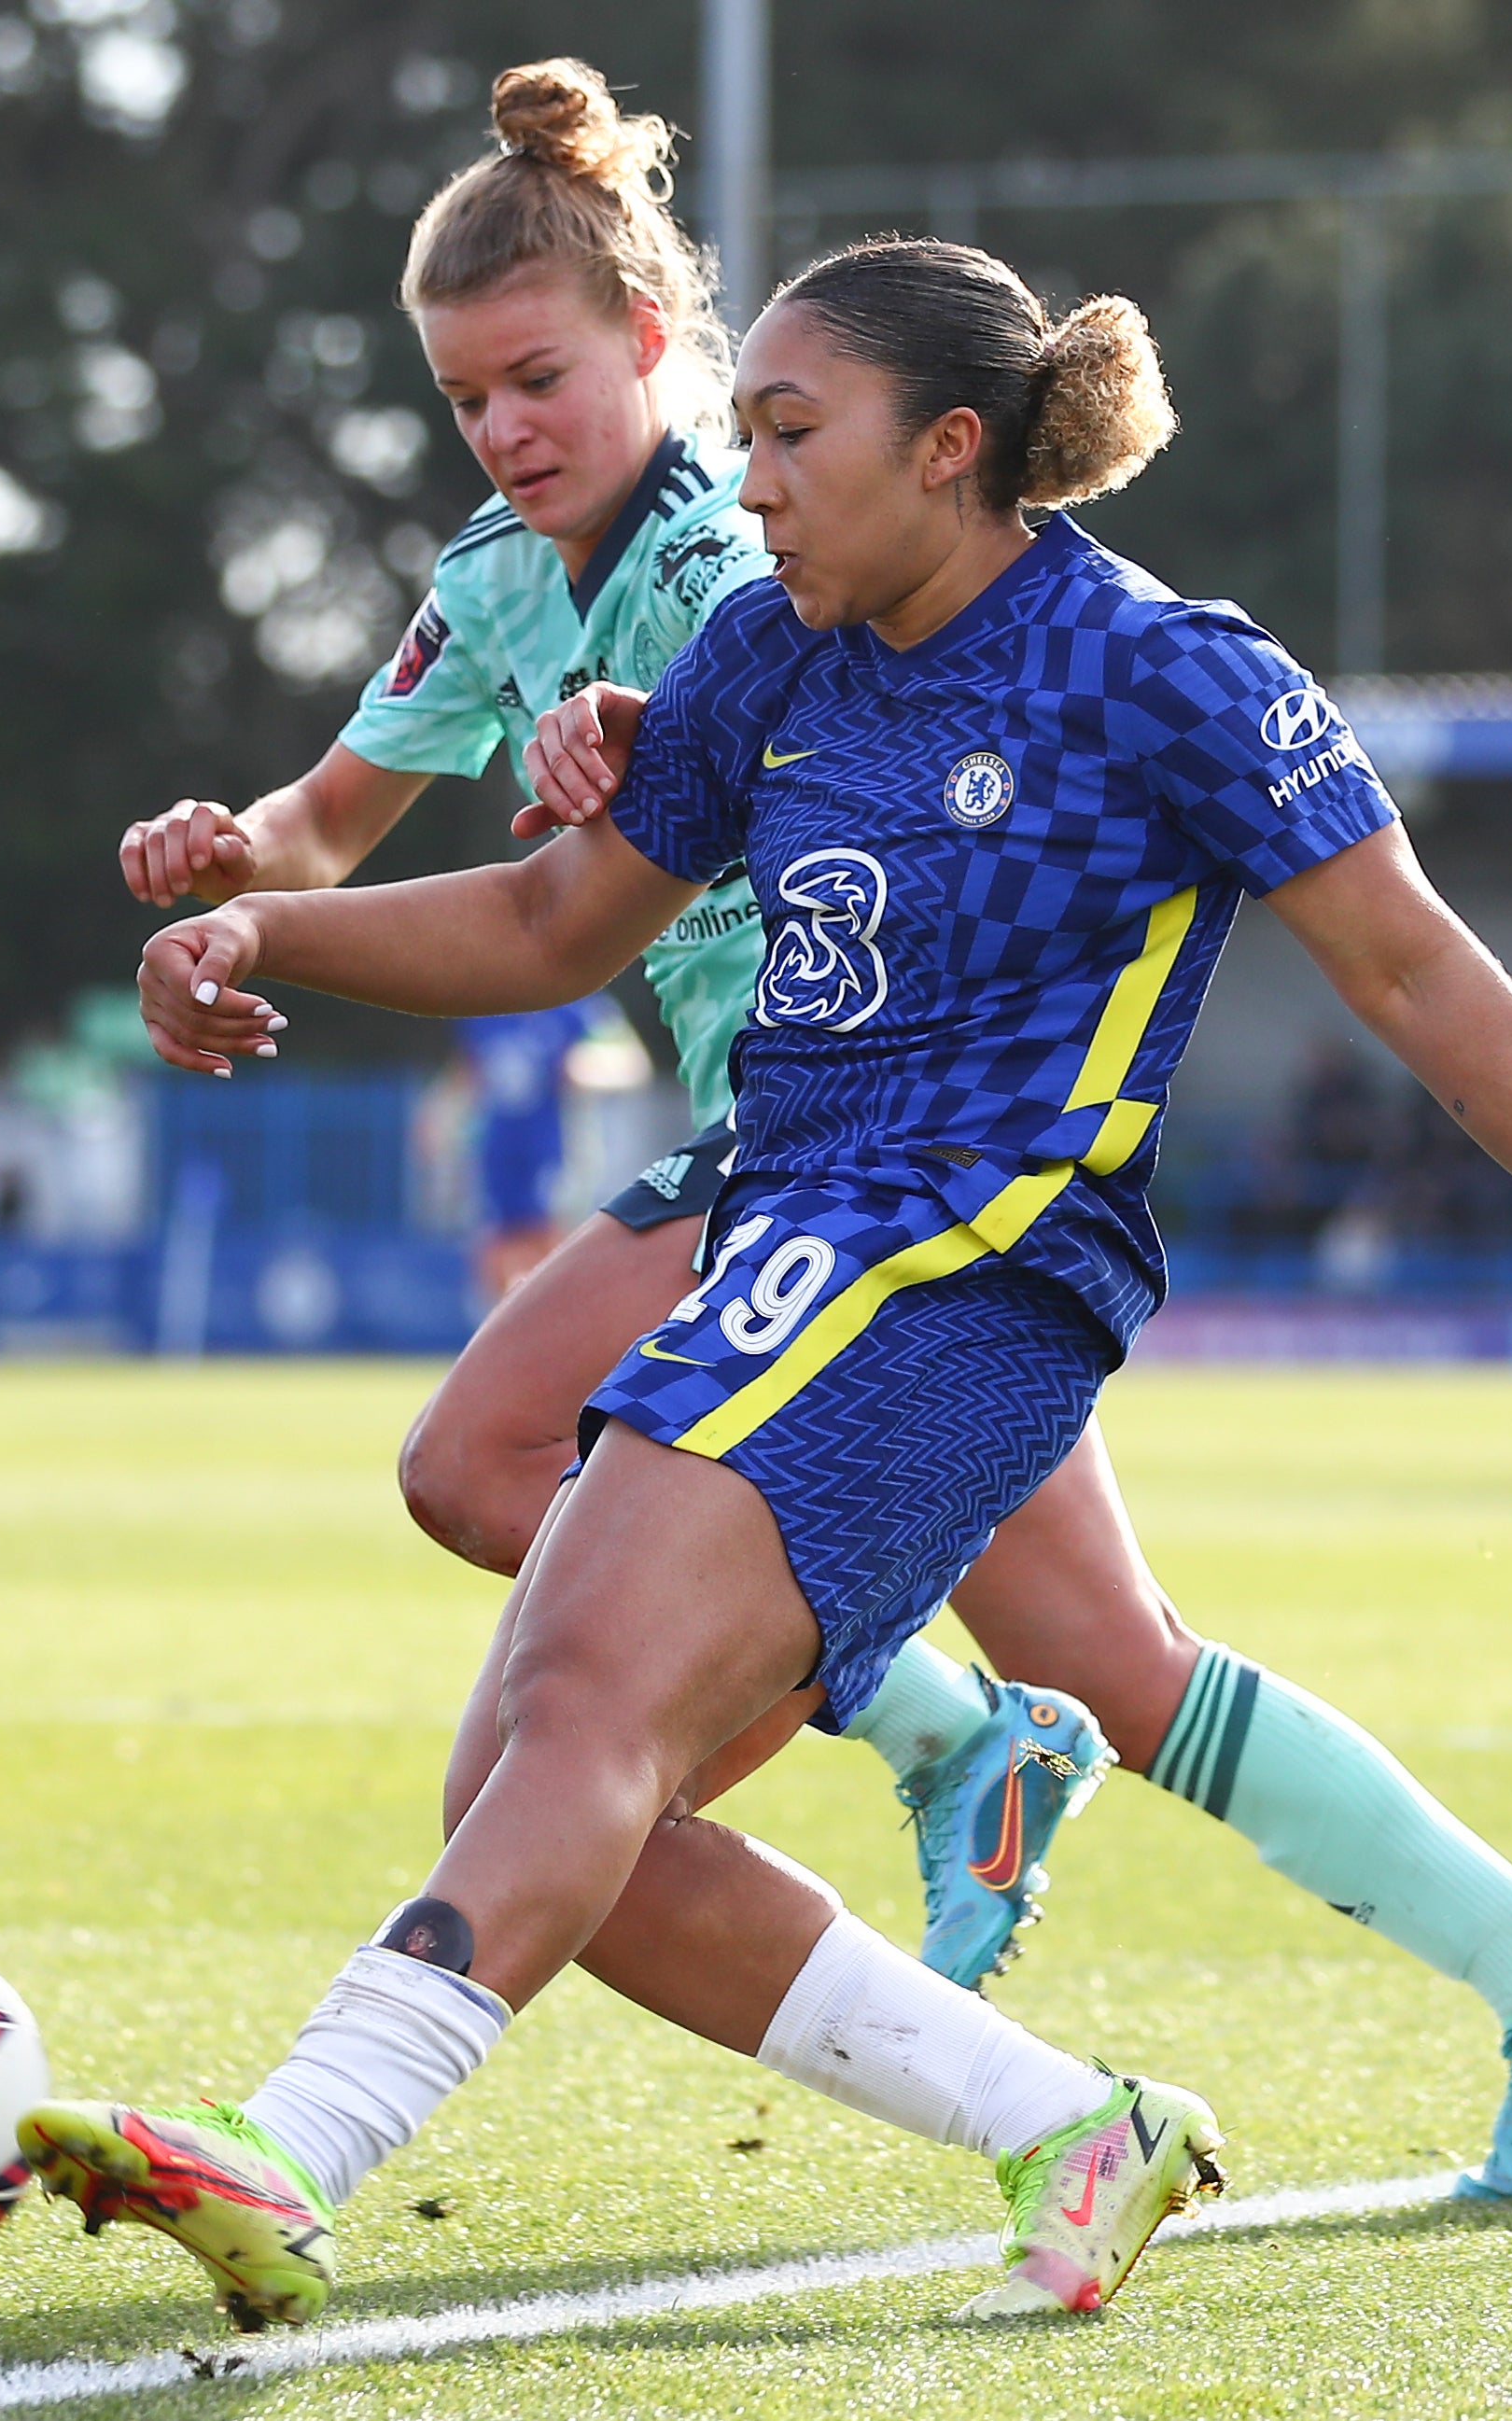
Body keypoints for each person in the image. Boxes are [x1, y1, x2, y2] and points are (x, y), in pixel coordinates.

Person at [30, 231, 1512, 2333]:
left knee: (597, 1703)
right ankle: (1076, 2124)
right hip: (783, 1241)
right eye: (747, 436)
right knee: (551, 1798)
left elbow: (1411, 965)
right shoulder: (768, 662)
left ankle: (287, 2153)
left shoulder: (1166, 673)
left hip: (972, 1275)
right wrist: (270, 933)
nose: (759, 483)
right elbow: (550, 921)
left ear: (955, 446)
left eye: (791, 435)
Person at [119, 56, 1119, 1988]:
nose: (499, 428)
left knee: (563, 1651)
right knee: (498, 1493)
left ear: (650, 342)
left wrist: (656, 732)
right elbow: (323, 825)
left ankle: (993, 1836)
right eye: (462, 397)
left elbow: (812, 731)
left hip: (871, 1124)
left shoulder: (743, 552)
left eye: (536, 380)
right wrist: (216, 850)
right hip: (774, 1138)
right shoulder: (488, 589)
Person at [454, 1000, 595, 1299]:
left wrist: (583, 1072)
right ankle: (502, 1315)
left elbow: (627, 1062)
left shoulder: (576, 1007)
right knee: (494, 1236)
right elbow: (470, 1072)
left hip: (549, 1141)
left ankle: (556, 1310)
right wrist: (445, 1118)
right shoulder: (484, 1011)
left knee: (547, 1231)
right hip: (497, 1144)